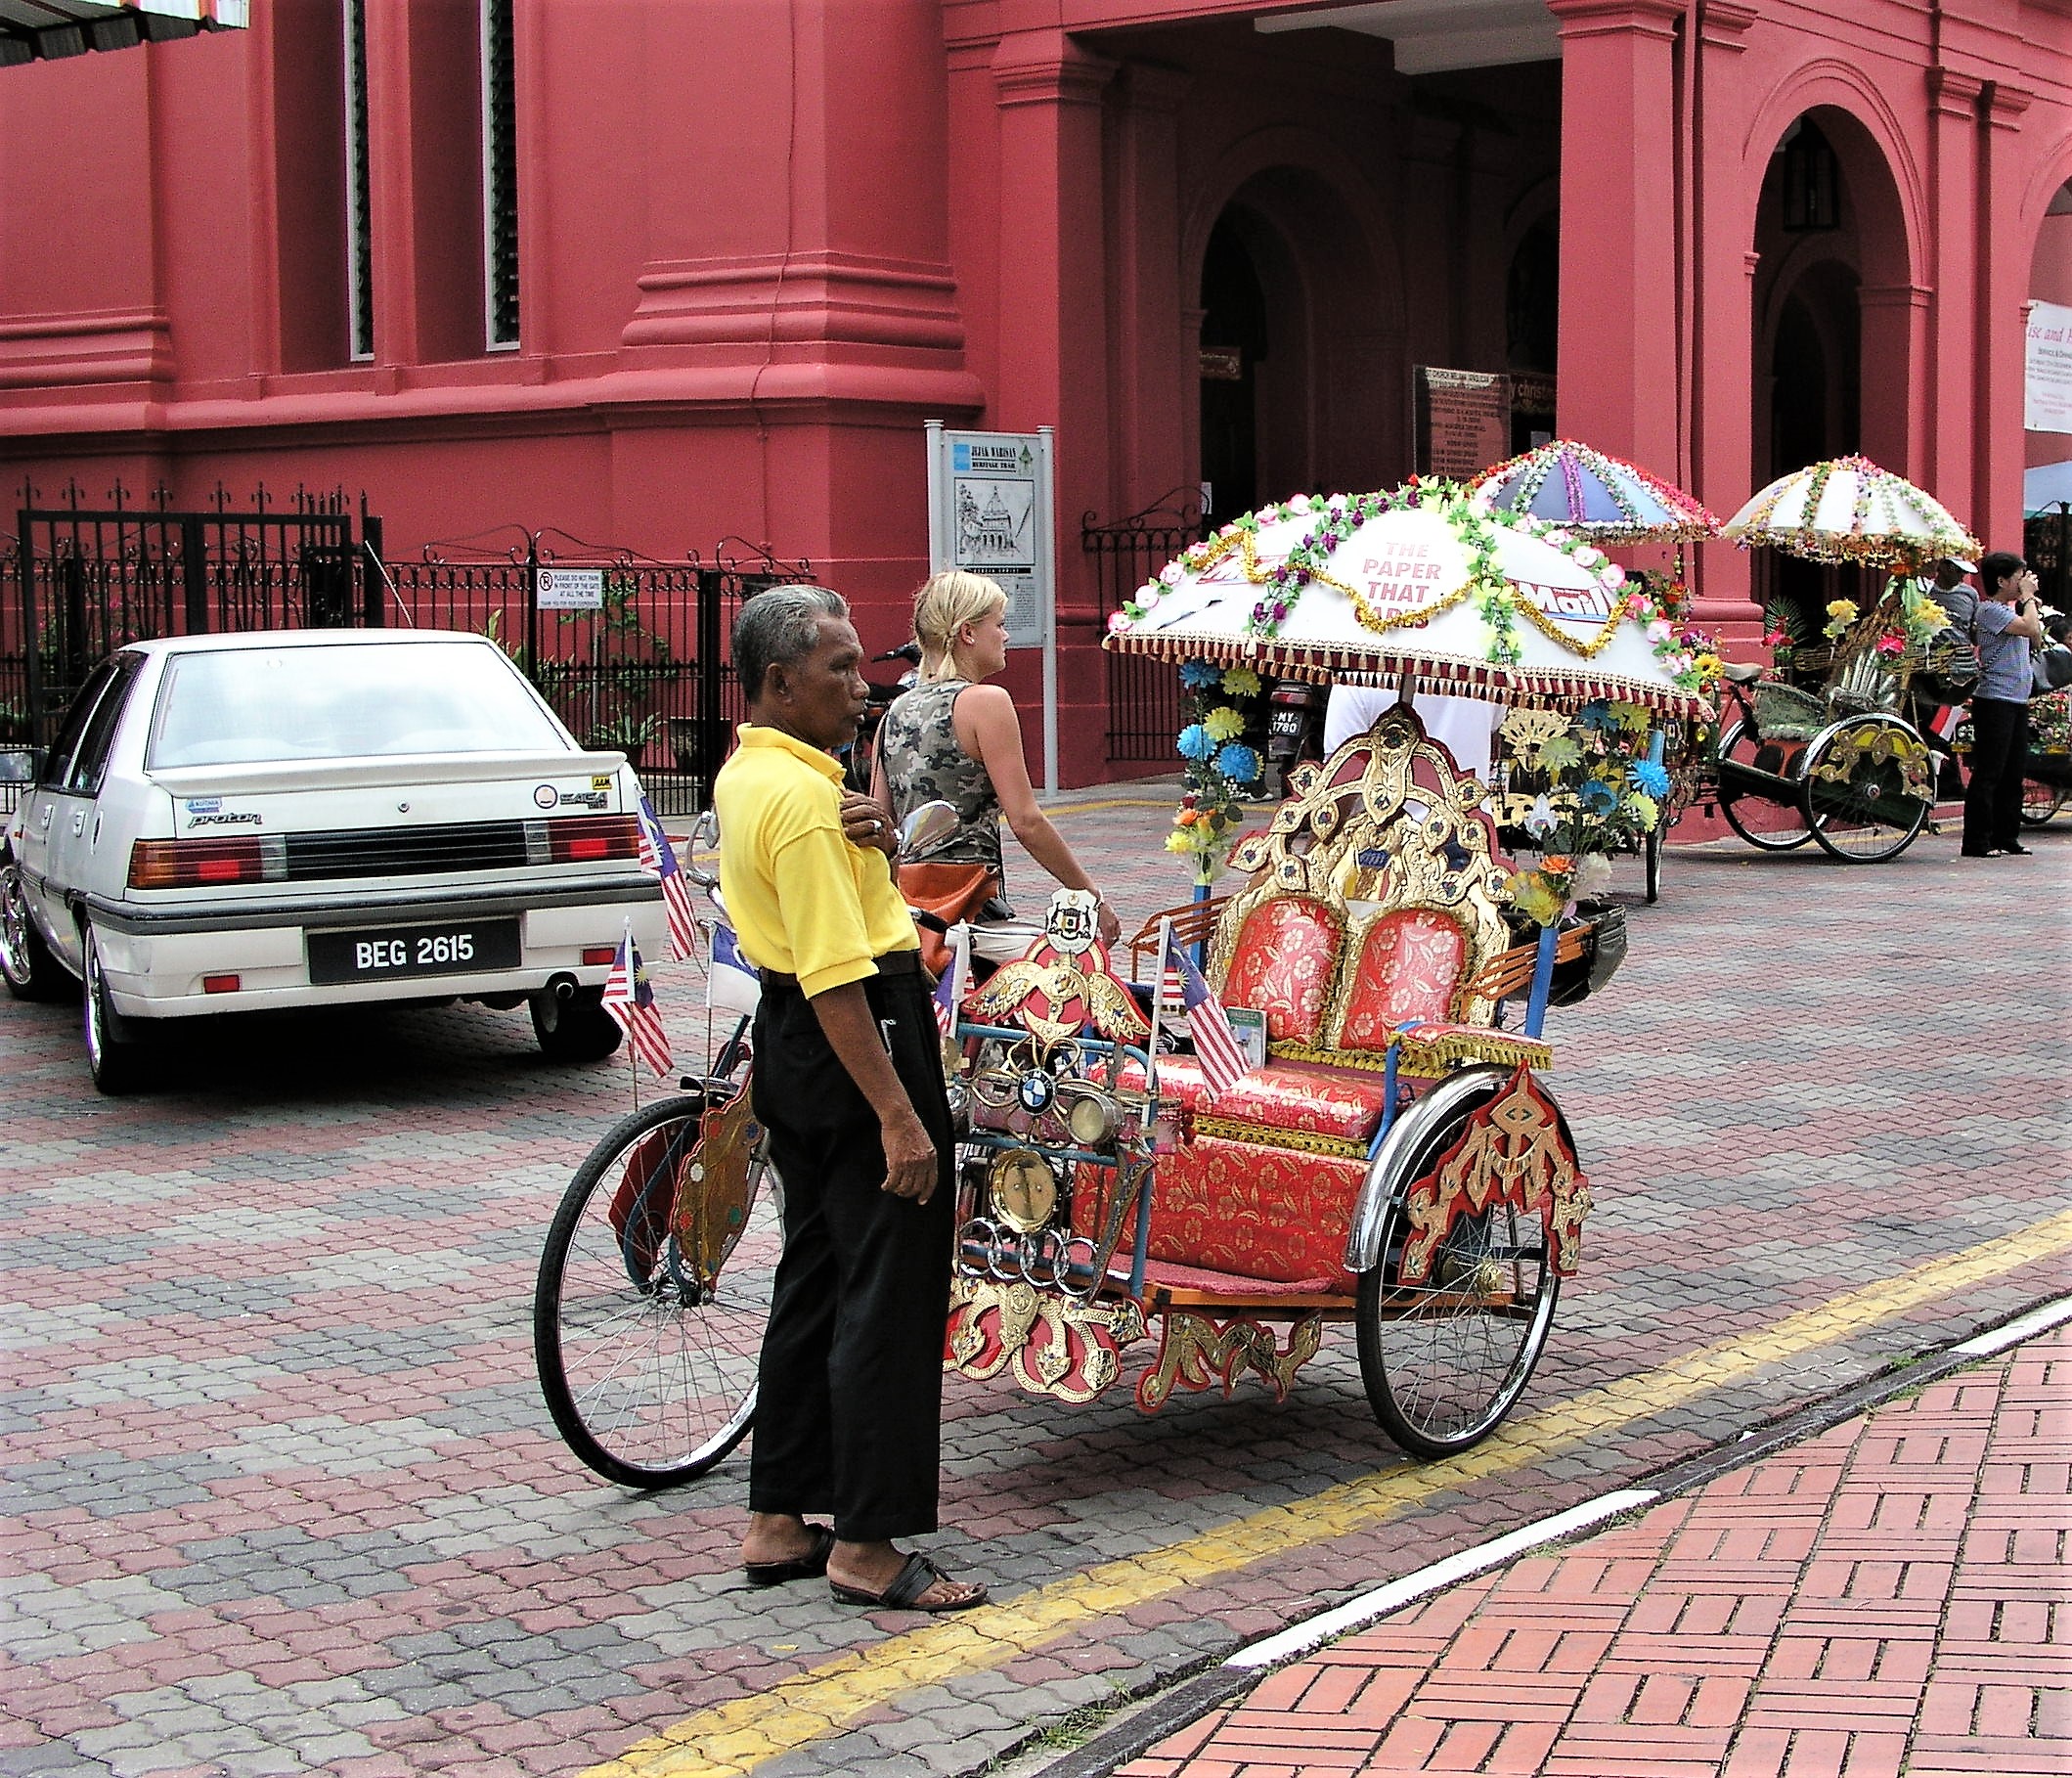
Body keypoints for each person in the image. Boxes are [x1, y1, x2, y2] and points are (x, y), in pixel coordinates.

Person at [713, 584, 986, 1614]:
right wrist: (901, 1115)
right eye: (836, 668)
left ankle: (778, 1516)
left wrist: (866, 836)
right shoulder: (799, 804)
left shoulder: (758, 774)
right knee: (888, 1291)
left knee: (818, 1274)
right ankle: (867, 1544)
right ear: (779, 682)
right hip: (857, 1033)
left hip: (799, 1046)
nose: (857, 686)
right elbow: (835, 973)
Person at [872, 569, 1120, 945]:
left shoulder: (894, 713)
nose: (1005, 635)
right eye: (999, 624)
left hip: (909, 908)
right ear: (967, 633)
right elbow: (1026, 822)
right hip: (969, 904)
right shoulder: (985, 702)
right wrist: (1090, 895)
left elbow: (882, 824)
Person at [1962, 552, 2046, 859]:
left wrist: (2027, 602)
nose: (2024, 582)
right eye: (2019, 577)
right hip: (1995, 699)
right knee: (1990, 772)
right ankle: (1977, 841)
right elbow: (2028, 629)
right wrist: (2029, 599)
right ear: (2001, 580)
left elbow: (2036, 637)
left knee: (2013, 772)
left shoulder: (2014, 611)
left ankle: (2007, 835)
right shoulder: (1989, 610)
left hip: (2017, 699)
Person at [1322, 682, 1503, 777]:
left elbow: (1342, 774)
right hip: (1469, 828)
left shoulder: (1359, 676)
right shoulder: (1486, 669)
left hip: (1377, 834)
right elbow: (1493, 724)